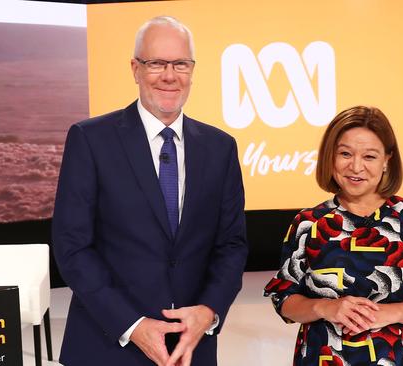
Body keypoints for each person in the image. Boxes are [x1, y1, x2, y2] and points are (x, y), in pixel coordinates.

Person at [52, 16, 248, 366]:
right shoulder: (90, 139)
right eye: (156, 63)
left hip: (191, 348)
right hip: (108, 346)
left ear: (192, 69)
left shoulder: (221, 148)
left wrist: (208, 311)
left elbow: (231, 244)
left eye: (180, 64)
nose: (170, 75)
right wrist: (133, 325)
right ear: (135, 68)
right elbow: (72, 247)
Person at [264, 106, 403, 365]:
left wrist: (386, 313)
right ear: (330, 157)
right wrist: (326, 307)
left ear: (387, 160)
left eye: (369, 156)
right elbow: (284, 297)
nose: (356, 167)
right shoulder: (309, 223)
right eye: (345, 154)